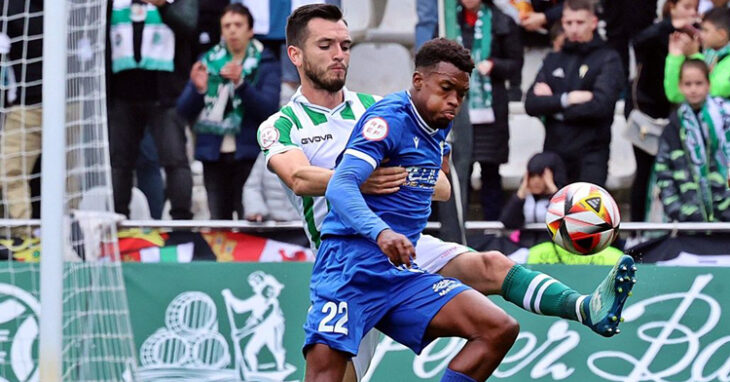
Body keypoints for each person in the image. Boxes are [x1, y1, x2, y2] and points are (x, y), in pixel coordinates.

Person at [259, 4, 636, 381]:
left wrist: (402, 177)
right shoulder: (281, 125)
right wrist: (360, 177)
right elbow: (299, 178)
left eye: (345, 44)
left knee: (492, 269)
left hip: (403, 244)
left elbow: (440, 187)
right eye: (326, 45)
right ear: (295, 54)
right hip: (345, 258)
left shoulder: (378, 107)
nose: (339, 54)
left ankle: (585, 307)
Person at [177, 4, 280, 220]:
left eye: (238, 25)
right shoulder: (207, 60)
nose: (232, 30)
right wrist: (199, 89)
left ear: (250, 30)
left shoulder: (266, 62)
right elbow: (183, 111)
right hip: (212, 155)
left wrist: (241, 84)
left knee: (250, 220)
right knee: (218, 225)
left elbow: (269, 111)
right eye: (227, 26)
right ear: (221, 31)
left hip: (249, 154)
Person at [106, 0, 197, 220]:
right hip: (121, 95)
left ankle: (181, 223)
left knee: (175, 160)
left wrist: (163, 6)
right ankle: (118, 220)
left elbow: (190, 26)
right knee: (119, 164)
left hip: (165, 96)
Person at [524, 0, 624, 186]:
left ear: (593, 22)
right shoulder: (554, 58)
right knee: (555, 214)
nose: (574, 29)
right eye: (569, 23)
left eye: (580, 22)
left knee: (587, 214)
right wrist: (567, 99)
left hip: (591, 156)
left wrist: (553, 106)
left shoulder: (608, 59)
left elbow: (601, 105)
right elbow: (531, 103)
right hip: (555, 154)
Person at [445, 0, 524, 221]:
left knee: (491, 172)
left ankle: (492, 229)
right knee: (461, 171)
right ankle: (460, 228)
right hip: (458, 109)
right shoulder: (448, 21)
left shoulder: (503, 21)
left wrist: (494, 65)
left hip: (492, 110)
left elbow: (516, 64)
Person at [628, 0, 699, 222]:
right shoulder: (658, 30)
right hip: (648, 114)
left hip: (681, 115)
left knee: (679, 173)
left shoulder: (696, 33)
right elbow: (637, 43)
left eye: (695, 8)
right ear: (672, 6)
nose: (692, 13)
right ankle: (637, 229)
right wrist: (670, 25)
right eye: (686, 7)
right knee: (644, 173)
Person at [654, 59, 730, 222]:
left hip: (725, 217)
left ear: (708, 84)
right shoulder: (674, 126)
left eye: (699, 83)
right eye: (688, 84)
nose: (693, 89)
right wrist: (676, 209)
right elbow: (663, 171)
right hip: (689, 220)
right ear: (680, 86)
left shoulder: (725, 120)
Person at [0, 0, 43, 235]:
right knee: (10, 169)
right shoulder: (9, 6)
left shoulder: (74, 8)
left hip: (71, 106)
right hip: (24, 106)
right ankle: (22, 234)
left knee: (67, 181)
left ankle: (67, 237)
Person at [664, 6, 730, 103]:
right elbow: (675, 95)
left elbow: (716, 90)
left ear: (721, 35)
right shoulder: (708, 54)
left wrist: (694, 56)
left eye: (705, 30)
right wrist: (675, 55)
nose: (700, 34)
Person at [242, 152, 300, 222]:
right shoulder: (265, 154)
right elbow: (252, 187)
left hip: (304, 224)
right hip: (270, 224)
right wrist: (256, 211)